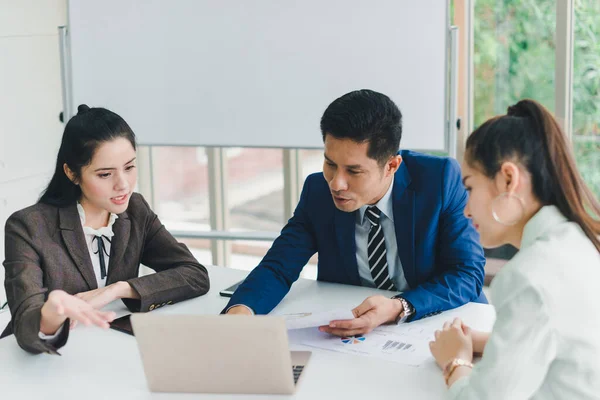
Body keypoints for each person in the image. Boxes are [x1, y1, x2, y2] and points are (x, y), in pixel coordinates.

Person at [225, 89, 486, 336]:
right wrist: (241, 312)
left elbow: (467, 273)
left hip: (439, 325)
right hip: (352, 337)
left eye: (354, 171)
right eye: (330, 164)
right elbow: (278, 267)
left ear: (391, 166)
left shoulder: (438, 181)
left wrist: (398, 306)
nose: (336, 183)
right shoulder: (318, 191)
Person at [2, 105, 210, 354]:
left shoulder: (135, 209)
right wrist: (53, 312)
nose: (123, 185)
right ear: (71, 173)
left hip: (111, 351)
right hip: (46, 361)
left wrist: (118, 289)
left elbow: (194, 275)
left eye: (130, 167)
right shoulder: (28, 227)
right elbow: (25, 326)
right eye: (104, 174)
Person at [429, 99, 600, 399]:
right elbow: (557, 336)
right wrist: (483, 342)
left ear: (508, 178)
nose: (466, 210)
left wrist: (454, 361)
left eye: (469, 188)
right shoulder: (576, 240)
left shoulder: (528, 276)